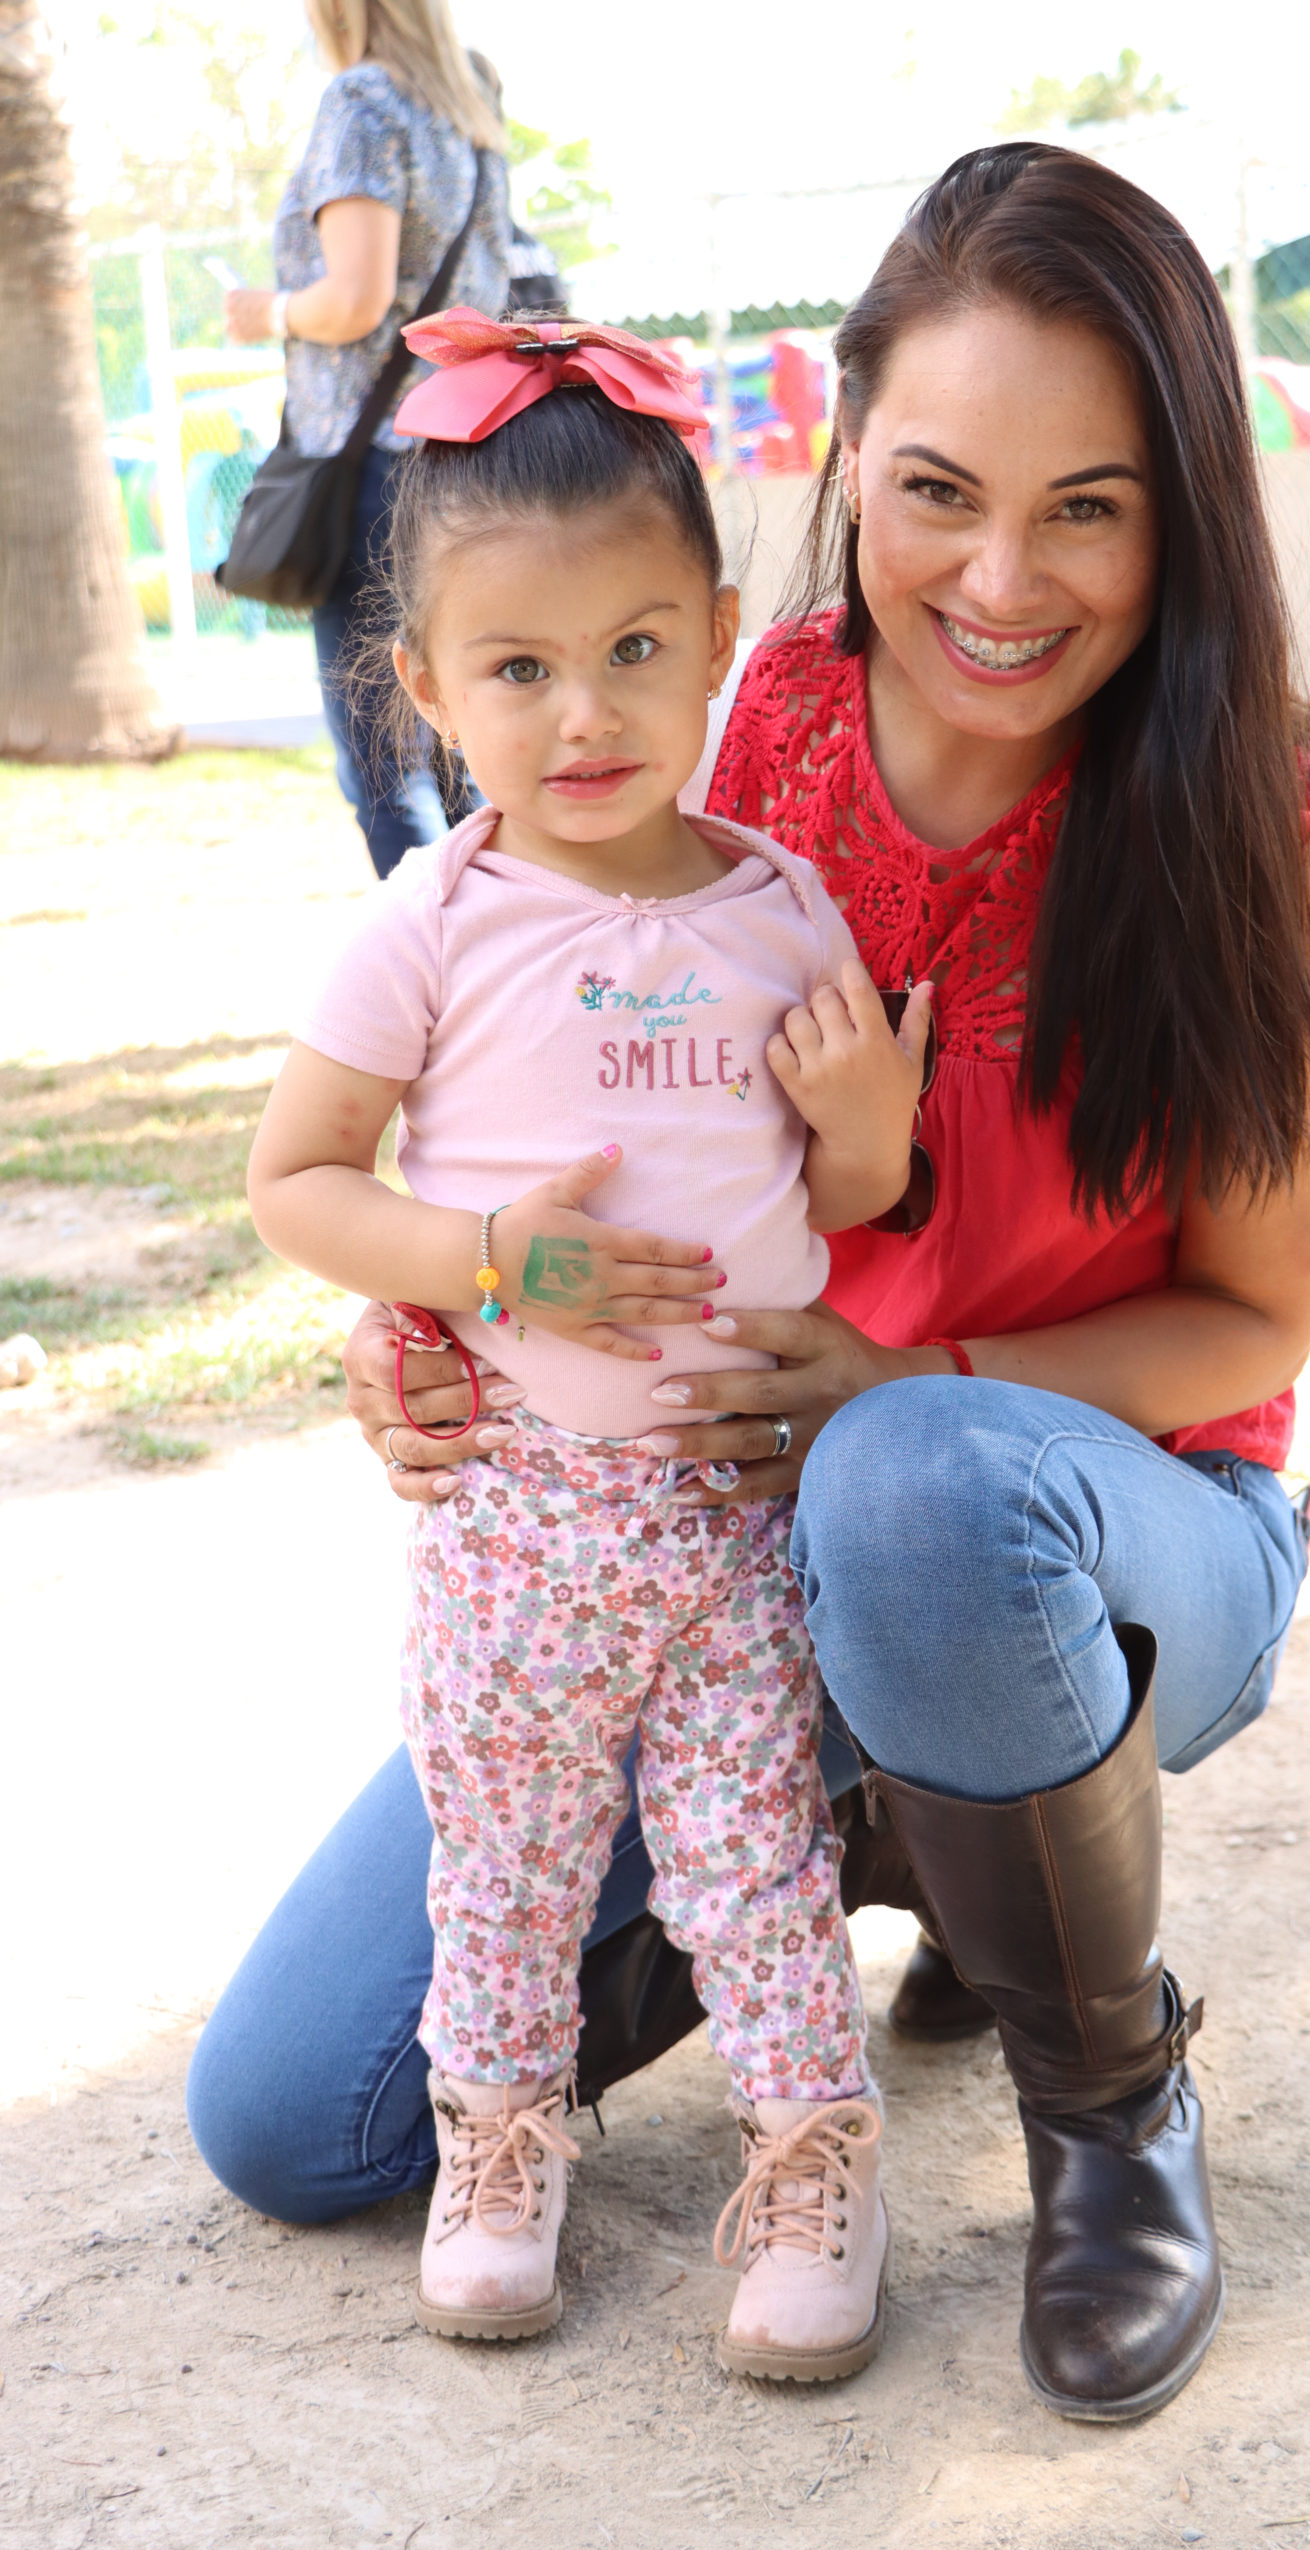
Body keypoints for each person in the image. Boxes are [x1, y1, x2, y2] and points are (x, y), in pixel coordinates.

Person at [190, 145, 1310, 2425]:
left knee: (907, 1483)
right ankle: (887, 1833)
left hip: (1114, 1538)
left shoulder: (1295, 847)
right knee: (304, 2120)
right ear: (839, 465)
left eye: (1084, 505)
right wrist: (431, 1323)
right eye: (934, 492)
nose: (999, 578)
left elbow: (1243, 1333)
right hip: (698, 1549)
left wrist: (902, 1374)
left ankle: (1108, 2092)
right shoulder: (733, 731)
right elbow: (511, 1114)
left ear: (1179, 509)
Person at [244, 309, 934, 2370]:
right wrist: (476, 1261)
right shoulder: (432, 923)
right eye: (518, 668)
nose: (583, 713)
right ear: (424, 685)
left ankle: (814, 2150)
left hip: (730, 1511)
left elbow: (845, 1206)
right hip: (520, 1514)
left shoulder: (778, 906)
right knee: (511, 1849)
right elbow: (299, 1178)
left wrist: (873, 1128)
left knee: (747, 1856)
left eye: (635, 647)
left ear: (720, 629)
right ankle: (498, 2130)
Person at [223, 0, 510, 877]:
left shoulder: (362, 101)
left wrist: (264, 311)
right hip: (471, 455)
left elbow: (354, 297)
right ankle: (515, 958)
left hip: (377, 473)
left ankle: (447, 984)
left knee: (387, 763)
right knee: (470, 746)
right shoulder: (469, 103)